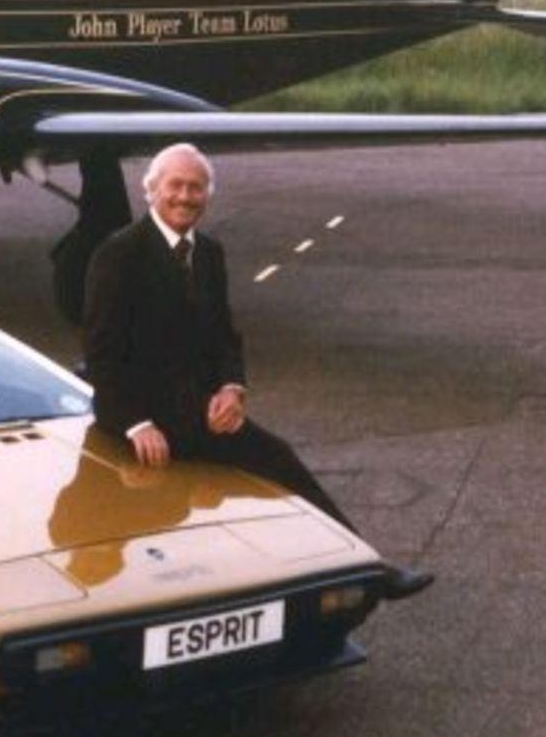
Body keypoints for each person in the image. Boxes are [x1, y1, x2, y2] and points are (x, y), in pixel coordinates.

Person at [82, 142, 433, 600]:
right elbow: (100, 355)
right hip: (140, 423)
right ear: (151, 191)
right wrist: (136, 423)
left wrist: (232, 388)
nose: (186, 197)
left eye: (197, 188)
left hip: (204, 417)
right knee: (158, 528)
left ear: (208, 195)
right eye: (176, 186)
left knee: (282, 462)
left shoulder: (209, 253)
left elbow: (224, 335)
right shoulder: (118, 253)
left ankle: (370, 568)